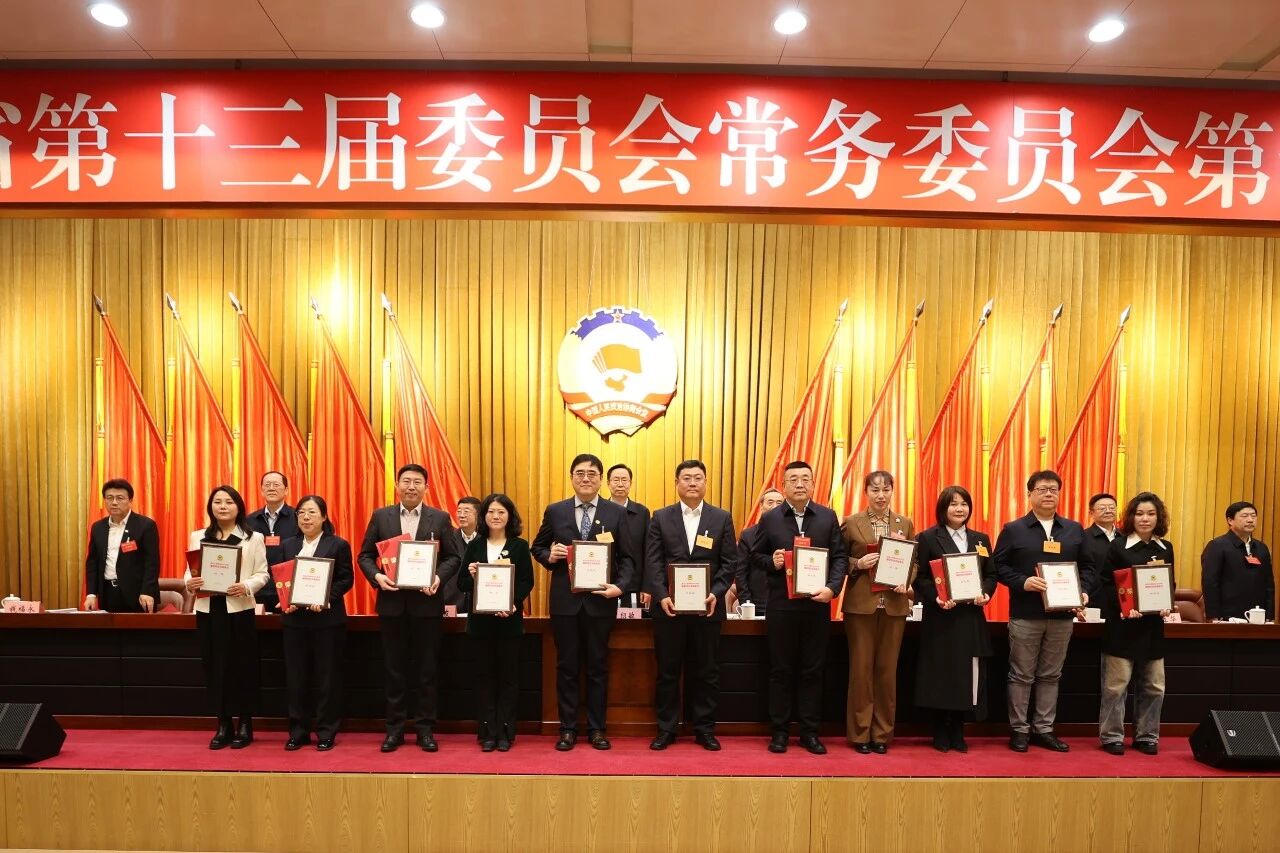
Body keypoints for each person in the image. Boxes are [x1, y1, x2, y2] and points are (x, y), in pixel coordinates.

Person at [531, 453, 637, 752]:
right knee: (566, 666)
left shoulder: (616, 513)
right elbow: (537, 547)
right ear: (571, 478)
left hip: (601, 603)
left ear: (601, 479)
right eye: (580, 473)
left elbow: (628, 558)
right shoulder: (556, 511)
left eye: (592, 473)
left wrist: (620, 587)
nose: (586, 478)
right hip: (565, 603)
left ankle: (597, 729)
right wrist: (549, 556)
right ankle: (567, 729)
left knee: (598, 667)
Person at [357, 463, 462, 753]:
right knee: (394, 670)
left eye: (417, 482)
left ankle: (425, 730)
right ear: (397, 485)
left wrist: (437, 579)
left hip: (427, 606)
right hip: (392, 605)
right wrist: (377, 577)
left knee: (427, 670)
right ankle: (395, 730)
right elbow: (364, 555)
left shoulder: (439, 518)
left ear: (426, 487)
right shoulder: (381, 516)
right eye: (406, 481)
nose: (411, 486)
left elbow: (453, 558)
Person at [750, 460, 848, 754]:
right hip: (781, 606)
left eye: (806, 478)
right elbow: (755, 556)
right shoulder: (770, 519)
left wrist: (832, 589)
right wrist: (772, 561)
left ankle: (809, 732)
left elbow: (839, 558)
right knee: (780, 670)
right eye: (793, 479)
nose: (800, 484)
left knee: (813, 671)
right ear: (784, 485)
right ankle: (779, 732)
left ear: (814, 484)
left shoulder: (827, 517)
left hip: (817, 606)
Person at [993, 470, 1093, 753]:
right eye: (1042, 489)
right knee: (1021, 675)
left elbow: (1089, 567)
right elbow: (998, 566)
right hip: (1026, 615)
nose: (1048, 494)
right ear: (1030, 494)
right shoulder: (1014, 529)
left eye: (1053, 489)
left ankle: (1044, 729)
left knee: (1051, 675)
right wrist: (1022, 582)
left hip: (1062, 616)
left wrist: (1084, 591)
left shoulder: (1074, 530)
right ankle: (1019, 730)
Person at [643, 460, 739, 752]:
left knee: (707, 671)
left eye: (698, 478)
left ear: (706, 483)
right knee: (668, 671)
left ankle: (704, 729)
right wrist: (661, 595)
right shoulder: (661, 517)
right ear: (677, 483)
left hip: (708, 608)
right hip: (669, 609)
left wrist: (716, 592)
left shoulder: (721, 518)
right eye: (686, 478)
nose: (693, 483)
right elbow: (653, 561)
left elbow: (729, 562)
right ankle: (666, 729)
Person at [183, 485, 270, 750]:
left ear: (239, 507)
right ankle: (223, 723)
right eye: (217, 502)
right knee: (215, 666)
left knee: (242, 665)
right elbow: (189, 572)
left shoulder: (253, 538)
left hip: (239, 609)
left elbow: (262, 573)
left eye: (229, 502)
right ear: (210, 507)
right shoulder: (198, 536)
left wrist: (246, 586)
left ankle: (245, 723)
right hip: (209, 610)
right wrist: (190, 583)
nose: (222, 506)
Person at [912, 486, 994, 753]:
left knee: (965, 675)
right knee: (940, 673)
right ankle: (939, 729)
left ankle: (959, 728)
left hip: (970, 617)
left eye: (964, 504)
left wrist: (986, 593)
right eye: (953, 504)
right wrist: (934, 596)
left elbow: (991, 575)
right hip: (941, 617)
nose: (959, 509)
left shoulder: (981, 540)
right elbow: (920, 577)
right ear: (943, 508)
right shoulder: (927, 538)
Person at [841, 470, 917, 754]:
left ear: (893, 491)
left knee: (887, 673)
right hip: (861, 606)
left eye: (886, 489)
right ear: (866, 492)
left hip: (894, 606)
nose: (881, 495)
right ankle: (860, 734)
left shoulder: (904, 523)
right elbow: (839, 560)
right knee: (861, 672)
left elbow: (914, 562)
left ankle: (882, 735)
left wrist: (907, 580)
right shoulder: (851, 522)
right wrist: (858, 564)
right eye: (875, 490)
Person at [1094, 492, 1174, 756]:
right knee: (1115, 686)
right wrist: (1124, 608)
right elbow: (1106, 584)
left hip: (1152, 628)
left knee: (1154, 686)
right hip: (1122, 627)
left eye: (1151, 513)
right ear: (1131, 517)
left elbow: (1169, 583)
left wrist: (1167, 603)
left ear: (1159, 518)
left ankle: (1147, 735)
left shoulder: (1165, 547)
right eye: (1139, 513)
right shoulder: (1118, 547)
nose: (1145, 518)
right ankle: (1112, 736)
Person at [457, 494, 535, 752]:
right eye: (491, 511)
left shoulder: (519, 546)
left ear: (510, 516)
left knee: (508, 678)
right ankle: (487, 732)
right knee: (484, 677)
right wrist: (471, 575)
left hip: (508, 622)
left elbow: (526, 581)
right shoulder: (475, 545)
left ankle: (505, 731)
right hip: (480, 625)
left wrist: (513, 603)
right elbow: (461, 584)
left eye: (501, 512)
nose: (496, 516)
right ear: (484, 516)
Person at [279, 494, 353, 751]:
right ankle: (298, 731)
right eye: (301, 513)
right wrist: (283, 599)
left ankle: (326, 730)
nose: (306, 517)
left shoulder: (338, 544)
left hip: (327, 621)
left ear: (324, 517)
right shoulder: (288, 545)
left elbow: (346, 579)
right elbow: (281, 579)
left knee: (327, 677)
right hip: (295, 622)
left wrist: (326, 598)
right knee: (296, 678)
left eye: (312, 512)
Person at [83, 478, 160, 613]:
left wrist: (147, 591)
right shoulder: (98, 527)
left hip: (138, 595)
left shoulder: (145, 526)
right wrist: (91, 594)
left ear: (130, 500)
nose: (114, 502)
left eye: (120, 498)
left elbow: (152, 563)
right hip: (107, 593)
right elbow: (93, 563)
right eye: (109, 498)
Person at [1202, 501, 1275, 622]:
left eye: (1253, 516)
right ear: (1230, 520)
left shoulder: (1262, 548)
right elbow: (1210, 583)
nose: (1250, 520)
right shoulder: (1217, 545)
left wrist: (1269, 616)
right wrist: (1213, 616)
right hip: (1227, 617)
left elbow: (1269, 585)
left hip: (1258, 616)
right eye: (1244, 516)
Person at [247, 470, 299, 610]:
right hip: (257, 588)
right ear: (261, 490)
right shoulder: (249, 520)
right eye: (267, 485)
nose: (271, 488)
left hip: (289, 589)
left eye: (276, 485)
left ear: (286, 490)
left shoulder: (298, 518)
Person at [728, 488, 784, 616]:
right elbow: (741, 573)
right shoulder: (748, 535)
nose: (774, 506)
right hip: (756, 604)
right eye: (770, 502)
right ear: (761, 506)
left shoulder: (791, 534)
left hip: (784, 605)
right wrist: (746, 603)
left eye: (779, 503)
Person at [608, 463, 651, 608]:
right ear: (608, 483)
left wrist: (647, 586)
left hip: (635, 585)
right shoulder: (600, 511)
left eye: (624, 480)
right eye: (616, 480)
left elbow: (648, 551)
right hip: (605, 583)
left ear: (630, 483)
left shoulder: (642, 513)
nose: (620, 484)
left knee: (632, 622)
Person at [442, 496, 484, 614]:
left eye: (466, 511)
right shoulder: (448, 538)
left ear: (478, 515)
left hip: (478, 603)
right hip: (451, 600)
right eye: (459, 511)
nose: (461, 515)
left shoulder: (486, 541)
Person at [1081, 493, 1119, 576]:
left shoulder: (1125, 535)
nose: (1108, 511)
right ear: (1091, 513)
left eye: (1112, 508)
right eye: (1102, 508)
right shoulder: (1083, 537)